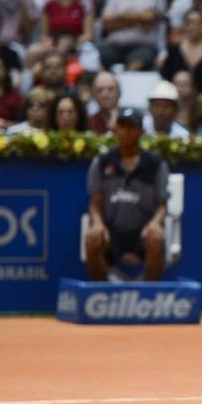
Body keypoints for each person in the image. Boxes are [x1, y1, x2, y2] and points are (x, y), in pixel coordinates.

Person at [84, 107, 169, 281]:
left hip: (142, 231)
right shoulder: (101, 163)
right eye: (122, 126)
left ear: (140, 132)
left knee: (157, 236)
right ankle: (103, 293)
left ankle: (147, 293)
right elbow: (95, 203)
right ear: (116, 129)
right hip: (111, 230)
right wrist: (98, 224)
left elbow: (162, 205)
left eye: (131, 127)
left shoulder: (156, 165)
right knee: (92, 237)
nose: (126, 132)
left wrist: (155, 223)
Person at [159, 8, 202, 109]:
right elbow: (166, 79)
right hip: (176, 102)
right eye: (190, 22)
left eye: (198, 23)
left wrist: (199, 101)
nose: (193, 26)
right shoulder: (174, 49)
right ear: (185, 26)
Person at [99, 0, 167, 71]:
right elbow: (107, 23)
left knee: (136, 65)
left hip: (143, 47)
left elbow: (149, 19)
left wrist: (121, 18)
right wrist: (138, 19)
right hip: (114, 45)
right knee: (96, 58)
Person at [172, 69, 202, 134]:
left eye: (185, 84)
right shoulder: (167, 106)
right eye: (178, 84)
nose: (181, 87)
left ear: (192, 86)